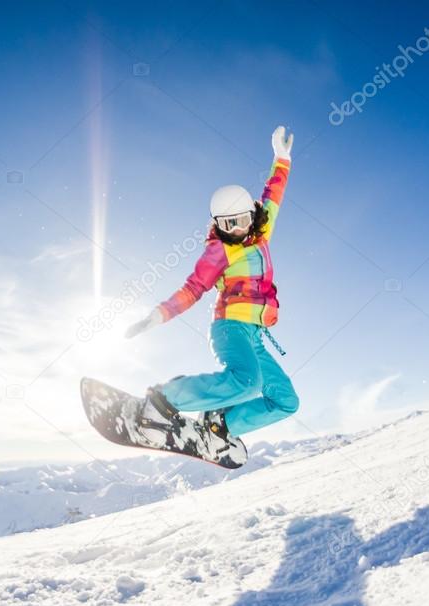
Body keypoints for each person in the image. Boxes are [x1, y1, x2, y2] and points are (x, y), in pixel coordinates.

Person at [125, 125, 300, 450]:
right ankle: (164, 398)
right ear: (217, 223)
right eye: (226, 224)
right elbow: (192, 289)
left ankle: (222, 424)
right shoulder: (219, 250)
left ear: (253, 216)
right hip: (229, 327)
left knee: (286, 401)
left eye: (241, 221)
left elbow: (274, 193)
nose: (234, 230)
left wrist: (282, 158)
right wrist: (158, 316)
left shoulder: (261, 234)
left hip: (256, 335)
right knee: (248, 382)